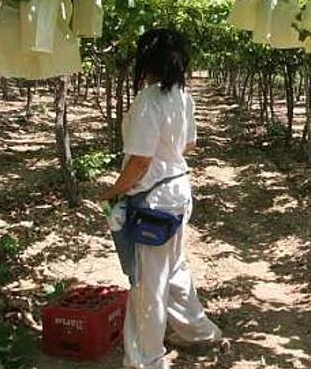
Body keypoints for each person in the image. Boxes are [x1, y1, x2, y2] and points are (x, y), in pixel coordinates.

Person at [98, 28, 221, 369]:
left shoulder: (148, 100)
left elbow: (140, 160)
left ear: (146, 61)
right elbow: (189, 144)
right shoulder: (183, 96)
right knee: (175, 266)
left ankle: (146, 360)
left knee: (147, 283)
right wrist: (168, 152)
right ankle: (200, 332)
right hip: (178, 191)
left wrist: (113, 191)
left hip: (153, 201)